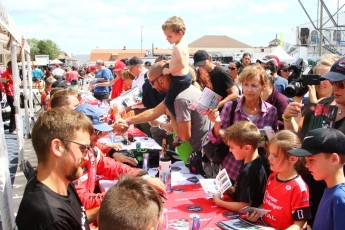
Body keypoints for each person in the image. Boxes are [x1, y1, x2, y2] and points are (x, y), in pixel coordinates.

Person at [73, 104, 166, 211]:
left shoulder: (91, 150)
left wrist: (142, 176)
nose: (100, 136)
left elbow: (111, 167)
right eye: (96, 131)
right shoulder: (71, 159)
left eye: (100, 131)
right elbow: (83, 201)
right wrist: (127, 195)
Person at [15, 108, 95, 229]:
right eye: (83, 148)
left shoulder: (62, 181)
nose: (87, 158)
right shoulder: (49, 217)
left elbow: (78, 221)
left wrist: (107, 209)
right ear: (57, 147)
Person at [207, 64, 278, 182]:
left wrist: (268, 142)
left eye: (254, 85)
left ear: (263, 86)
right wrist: (217, 125)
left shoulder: (271, 111)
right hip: (231, 170)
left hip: (255, 173)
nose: (249, 90)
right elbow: (217, 140)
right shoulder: (230, 107)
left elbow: (273, 141)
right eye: (245, 84)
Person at [126, 60, 211, 158]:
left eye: (152, 83)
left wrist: (170, 115)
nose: (153, 88)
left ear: (161, 80)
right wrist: (127, 121)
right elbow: (154, 112)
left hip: (200, 155)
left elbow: (184, 136)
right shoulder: (184, 90)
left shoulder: (180, 99)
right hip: (202, 151)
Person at [246, 130, 311, 229]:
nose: (269, 158)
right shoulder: (272, 176)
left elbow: (299, 224)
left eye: (275, 156)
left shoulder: (299, 188)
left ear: (293, 159)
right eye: (270, 153)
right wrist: (256, 214)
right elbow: (267, 204)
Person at [288, 128, 345, 230]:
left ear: (334, 159)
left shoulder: (340, 198)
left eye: (311, 160)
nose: (306, 165)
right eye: (306, 160)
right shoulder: (330, 189)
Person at [213, 121, 268, 211]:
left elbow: (244, 206)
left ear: (247, 148)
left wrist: (219, 202)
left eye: (232, 147)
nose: (230, 150)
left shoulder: (248, 172)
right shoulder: (252, 161)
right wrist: (230, 190)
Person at [283, 56, 345, 135]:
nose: (335, 88)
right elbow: (299, 136)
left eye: (340, 84)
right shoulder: (322, 104)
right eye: (332, 82)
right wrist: (288, 118)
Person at [161, 16, 192, 118]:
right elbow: (179, 60)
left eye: (169, 36)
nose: (167, 39)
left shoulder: (177, 47)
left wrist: (168, 70)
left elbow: (182, 64)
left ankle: (178, 120)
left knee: (169, 102)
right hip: (185, 77)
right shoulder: (183, 44)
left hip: (180, 79)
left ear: (180, 33)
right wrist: (170, 61)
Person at [1, 61, 16, 134]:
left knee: (15, 110)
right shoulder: (5, 73)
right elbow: (3, 82)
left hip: (14, 93)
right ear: (9, 66)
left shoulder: (12, 73)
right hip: (9, 93)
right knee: (14, 109)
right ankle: (12, 128)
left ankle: (13, 127)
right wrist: (9, 79)